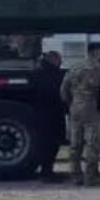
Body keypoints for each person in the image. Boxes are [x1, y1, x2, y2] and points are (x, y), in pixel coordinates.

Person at [60, 46, 100, 187]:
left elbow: (63, 90)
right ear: (96, 53)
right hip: (92, 108)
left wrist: (71, 102)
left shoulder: (74, 68)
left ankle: (76, 176)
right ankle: (90, 178)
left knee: (75, 143)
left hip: (75, 107)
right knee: (92, 143)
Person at [36, 50, 66, 183]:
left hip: (44, 114)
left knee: (47, 143)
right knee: (51, 144)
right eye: (59, 59)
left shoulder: (40, 72)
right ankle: (46, 172)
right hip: (52, 114)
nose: (61, 62)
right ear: (53, 59)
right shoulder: (53, 74)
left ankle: (46, 171)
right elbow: (60, 93)